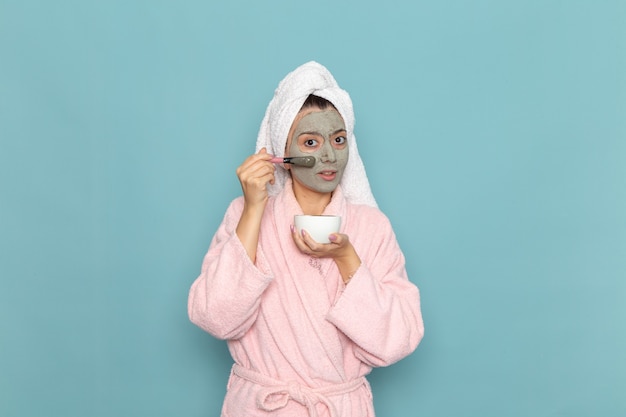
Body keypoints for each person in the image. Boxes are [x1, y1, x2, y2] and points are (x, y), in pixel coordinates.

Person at [188, 61, 424, 417]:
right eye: (310, 142)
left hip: (337, 406)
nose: (328, 155)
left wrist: (347, 258)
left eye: (339, 140)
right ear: (282, 155)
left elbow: (397, 341)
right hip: (262, 407)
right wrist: (254, 209)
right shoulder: (244, 214)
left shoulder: (371, 227)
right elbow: (215, 317)